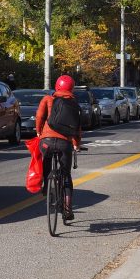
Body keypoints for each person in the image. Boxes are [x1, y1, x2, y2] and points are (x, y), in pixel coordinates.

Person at [35, 75, 82, 220]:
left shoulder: (47, 99)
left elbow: (39, 117)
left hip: (46, 141)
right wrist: (76, 145)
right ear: (72, 88)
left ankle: (46, 184)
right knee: (66, 175)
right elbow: (77, 127)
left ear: (57, 86)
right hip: (64, 144)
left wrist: (38, 132)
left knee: (47, 158)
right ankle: (68, 210)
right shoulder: (74, 104)